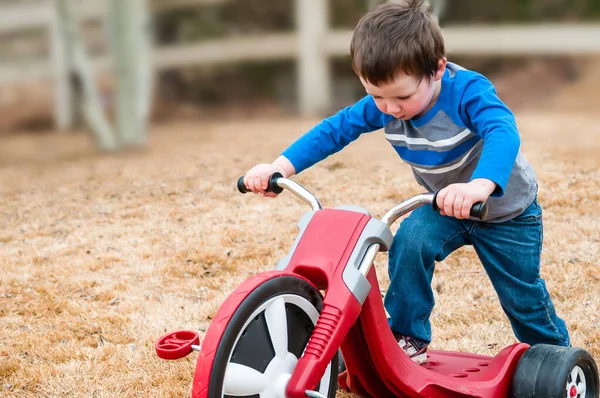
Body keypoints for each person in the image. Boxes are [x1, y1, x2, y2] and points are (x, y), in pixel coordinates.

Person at [242, 0, 570, 364]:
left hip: (506, 212)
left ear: (437, 71)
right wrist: (280, 166)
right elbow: (334, 131)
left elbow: (502, 131)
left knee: (522, 298)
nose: (389, 108)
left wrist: (480, 186)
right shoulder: (382, 104)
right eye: (376, 95)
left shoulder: (467, 92)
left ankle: (557, 360)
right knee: (411, 241)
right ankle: (408, 336)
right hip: (445, 206)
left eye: (402, 96)